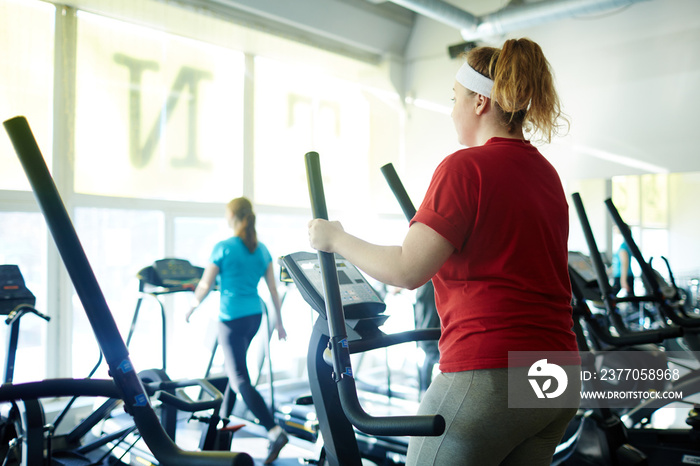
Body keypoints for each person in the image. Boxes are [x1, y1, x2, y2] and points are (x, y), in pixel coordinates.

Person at [308, 38, 580, 465]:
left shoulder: (464, 167)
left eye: (454, 98)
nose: (451, 109)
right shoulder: (545, 174)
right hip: (558, 375)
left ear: (478, 102)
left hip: (490, 374)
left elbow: (406, 269)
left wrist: (335, 238)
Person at [187, 197, 288, 464]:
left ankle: (274, 430)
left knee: (240, 377)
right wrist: (279, 322)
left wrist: (191, 308)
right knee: (235, 372)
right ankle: (222, 423)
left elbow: (205, 285)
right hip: (254, 317)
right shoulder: (261, 249)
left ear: (232, 216)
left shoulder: (223, 248)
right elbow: (273, 289)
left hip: (231, 319)